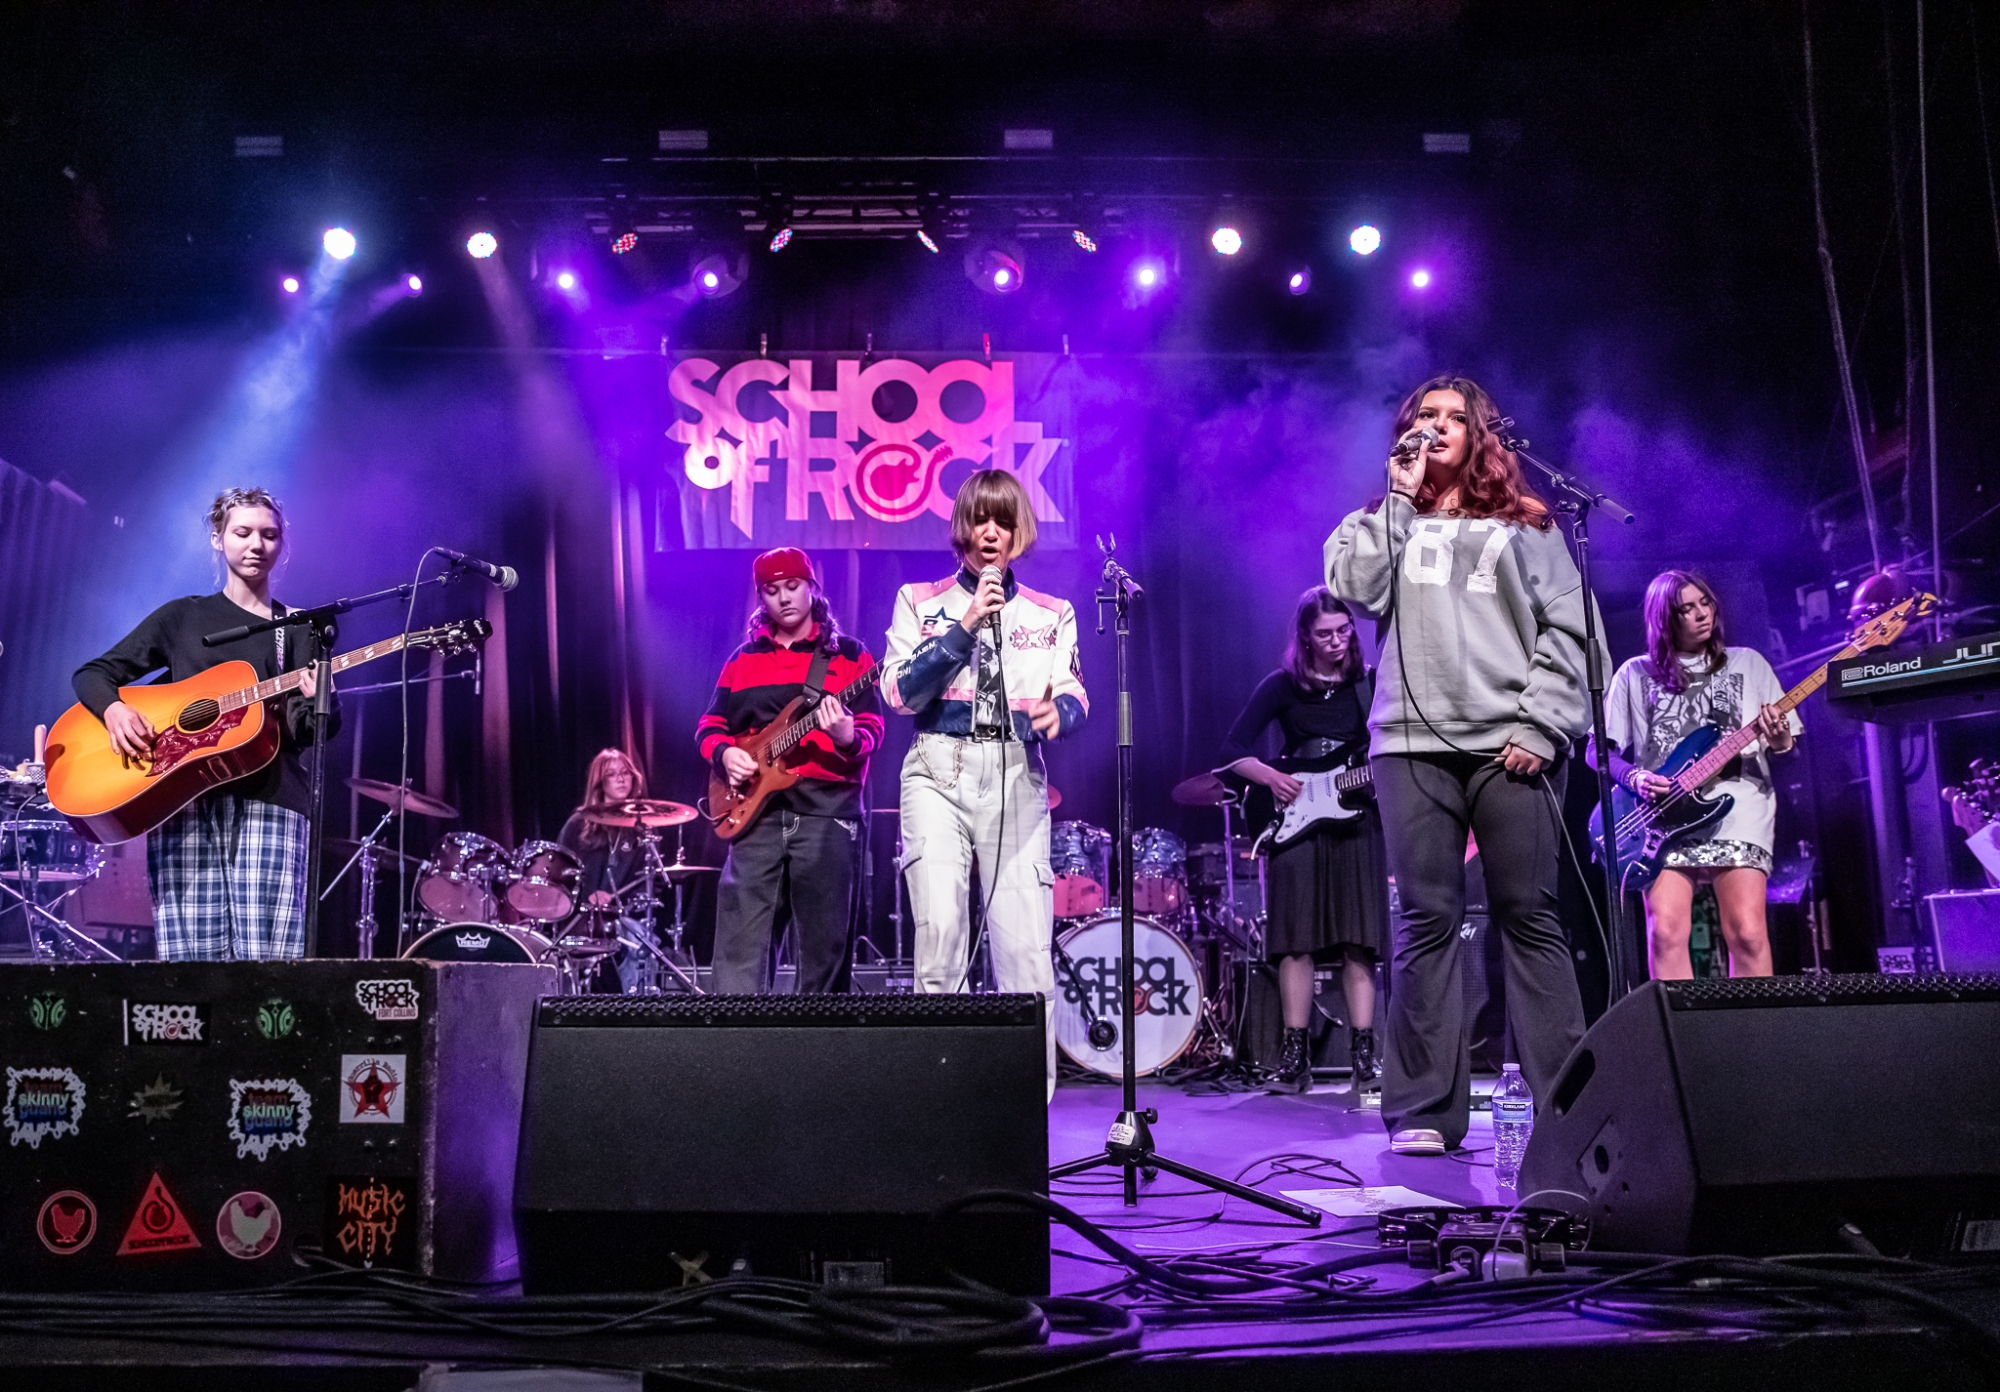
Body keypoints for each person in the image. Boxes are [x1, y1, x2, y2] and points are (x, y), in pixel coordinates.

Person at [1325, 374, 1601, 1157]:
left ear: (1482, 433)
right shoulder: (1379, 522)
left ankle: (1566, 1107)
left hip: (1510, 742)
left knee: (1530, 915)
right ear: (1403, 434)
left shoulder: (1528, 523)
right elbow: (1354, 590)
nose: (1437, 427)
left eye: (1454, 417)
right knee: (1425, 920)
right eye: (1423, 416)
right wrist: (1399, 501)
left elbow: (1571, 632)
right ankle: (1421, 1110)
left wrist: (1544, 722)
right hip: (1409, 743)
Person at [884, 469, 1088, 1099]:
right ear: (962, 530)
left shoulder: (1053, 613)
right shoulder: (919, 601)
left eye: (1002, 520)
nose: (991, 532)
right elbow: (898, 692)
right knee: (941, 935)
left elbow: (1074, 691)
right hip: (938, 770)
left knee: (1026, 954)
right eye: (979, 519)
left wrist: (1064, 713)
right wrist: (965, 624)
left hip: (1016, 775)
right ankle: (939, 1106)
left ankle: (1025, 1116)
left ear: (1020, 530)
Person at [72, 487, 336, 960]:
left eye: (269, 535)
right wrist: (115, 710)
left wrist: (325, 703)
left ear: (283, 546)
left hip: (270, 803)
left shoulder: (297, 628)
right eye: (243, 532)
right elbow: (93, 674)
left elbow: (305, 732)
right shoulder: (183, 617)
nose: (257, 544)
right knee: (191, 967)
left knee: (268, 968)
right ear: (218, 538)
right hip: (179, 803)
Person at [1218, 587, 1389, 1094]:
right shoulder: (1282, 686)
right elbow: (1232, 749)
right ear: (1305, 638)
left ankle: (1364, 1057)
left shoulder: (1370, 686)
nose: (1336, 641)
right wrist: (1271, 778)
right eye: (1324, 634)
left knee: (1361, 939)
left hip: (1358, 817)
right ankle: (1294, 1060)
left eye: (1343, 630)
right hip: (1294, 818)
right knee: (1294, 940)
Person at [1595, 571, 1800, 979]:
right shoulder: (1635, 674)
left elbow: (1789, 753)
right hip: (1663, 815)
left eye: (1704, 603)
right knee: (1666, 934)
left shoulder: (1748, 663)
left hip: (1739, 804)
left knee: (1747, 932)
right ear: (1664, 619)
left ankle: (1755, 1038)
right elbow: (1598, 752)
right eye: (1686, 609)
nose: (1701, 614)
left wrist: (1780, 741)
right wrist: (1635, 778)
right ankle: (1678, 1038)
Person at [697, 547, 883, 994]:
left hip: (827, 814)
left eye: (793, 587)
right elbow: (709, 726)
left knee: (824, 952)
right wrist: (725, 754)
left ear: (812, 588)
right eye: (772, 591)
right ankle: (737, 1054)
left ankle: (818, 1057)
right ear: (761, 598)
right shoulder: (742, 660)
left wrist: (845, 734)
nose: (783, 599)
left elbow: (874, 730)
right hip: (755, 818)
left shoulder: (850, 656)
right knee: (738, 953)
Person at [557, 747, 651, 992]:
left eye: (625, 773)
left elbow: (650, 882)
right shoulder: (578, 825)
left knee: (639, 941)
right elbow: (560, 873)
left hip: (623, 917)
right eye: (611, 774)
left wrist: (619, 900)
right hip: (580, 917)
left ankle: (634, 1011)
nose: (621, 778)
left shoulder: (643, 828)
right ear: (600, 782)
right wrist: (587, 894)